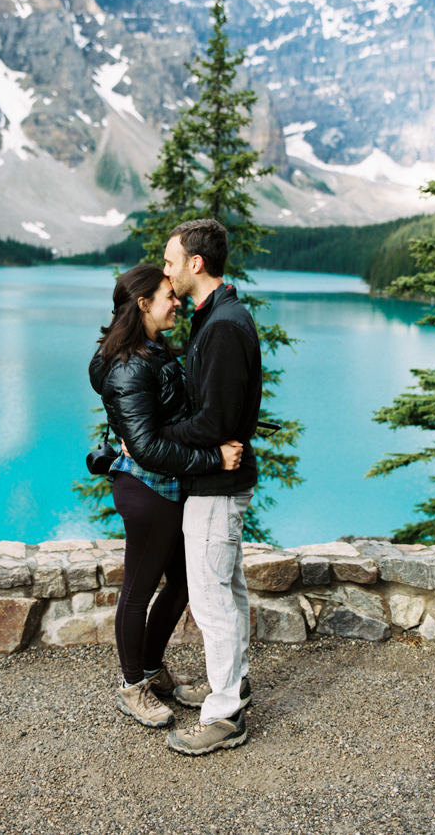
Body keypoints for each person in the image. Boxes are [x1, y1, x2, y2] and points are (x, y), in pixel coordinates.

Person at [89, 263, 243, 730]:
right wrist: (214, 459)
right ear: (142, 305)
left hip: (167, 490)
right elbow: (149, 448)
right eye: (166, 296)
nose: (176, 301)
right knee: (137, 591)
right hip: (147, 492)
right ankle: (131, 686)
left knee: (181, 585)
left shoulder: (150, 349)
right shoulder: (130, 364)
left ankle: (153, 670)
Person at [158, 219, 263, 756]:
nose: (166, 272)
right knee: (230, 589)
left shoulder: (222, 326)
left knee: (211, 598)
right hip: (218, 480)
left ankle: (224, 715)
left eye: (171, 262)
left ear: (196, 264)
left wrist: (150, 437)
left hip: (216, 485)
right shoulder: (215, 317)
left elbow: (214, 423)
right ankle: (235, 683)